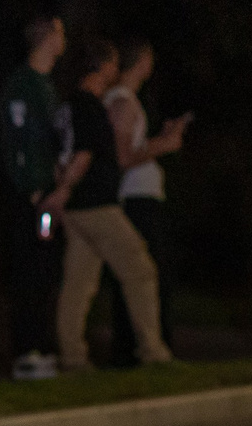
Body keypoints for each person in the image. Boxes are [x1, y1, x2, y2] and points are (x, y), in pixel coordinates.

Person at [48, 36, 173, 371]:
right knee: (141, 271)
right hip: (96, 205)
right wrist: (66, 188)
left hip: (77, 209)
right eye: (113, 64)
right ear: (102, 66)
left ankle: (73, 357)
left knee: (78, 285)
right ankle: (153, 352)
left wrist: (61, 189)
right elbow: (83, 154)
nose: (116, 70)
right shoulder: (89, 106)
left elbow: (59, 154)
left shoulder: (67, 105)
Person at [102, 37, 190, 367]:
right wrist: (165, 145)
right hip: (136, 200)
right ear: (141, 61)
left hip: (142, 197)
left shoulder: (127, 101)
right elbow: (123, 156)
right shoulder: (123, 102)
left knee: (146, 276)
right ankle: (143, 348)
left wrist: (159, 139)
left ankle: (142, 347)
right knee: (147, 275)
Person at [0, 15, 68, 379]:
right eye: (60, 32)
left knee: (46, 270)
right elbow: (18, 142)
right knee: (29, 270)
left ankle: (43, 345)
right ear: (48, 37)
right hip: (31, 197)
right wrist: (34, 185)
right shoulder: (23, 84)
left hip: (47, 197)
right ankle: (27, 352)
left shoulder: (47, 85)